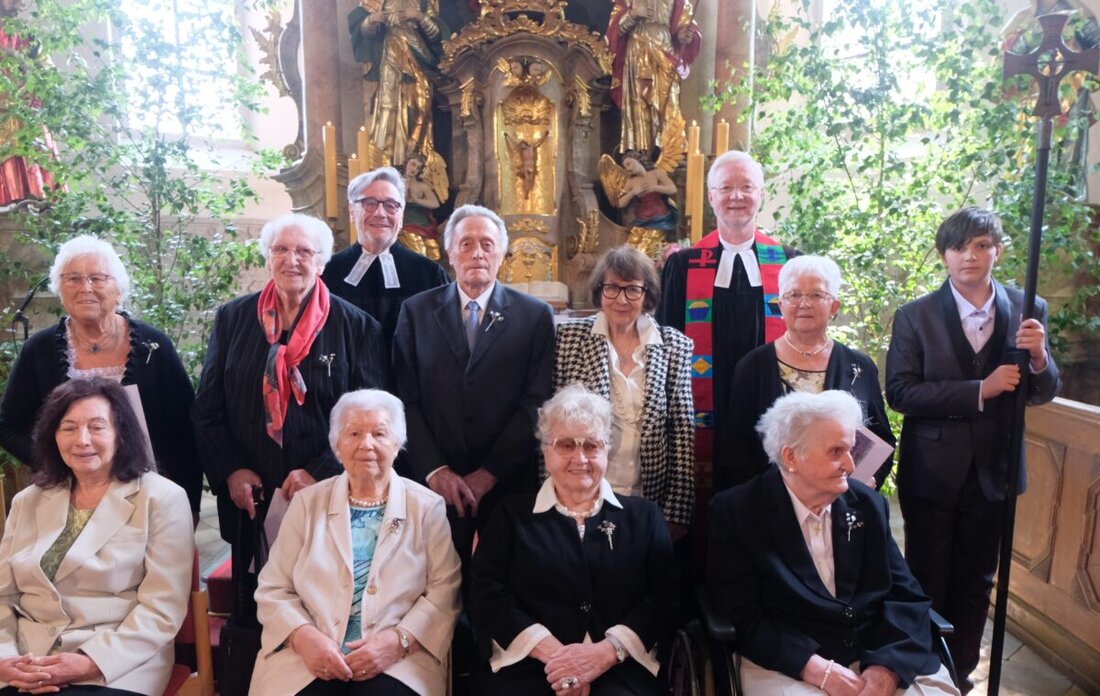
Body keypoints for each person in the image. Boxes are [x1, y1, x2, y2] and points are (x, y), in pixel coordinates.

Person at [885, 207, 1060, 692]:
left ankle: (959, 678)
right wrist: (978, 389)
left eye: (981, 245)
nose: (970, 256)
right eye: (959, 247)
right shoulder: (914, 315)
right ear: (944, 256)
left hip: (995, 473)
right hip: (932, 473)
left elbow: (1042, 391)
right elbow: (900, 393)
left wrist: (1040, 356)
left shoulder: (1029, 310)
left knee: (978, 582)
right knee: (925, 578)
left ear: (997, 251)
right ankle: (921, 675)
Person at [192, 212, 386, 623]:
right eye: (281, 249)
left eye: (304, 251)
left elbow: (371, 419)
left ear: (321, 262)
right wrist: (231, 472)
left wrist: (320, 470)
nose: (291, 260)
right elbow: (207, 409)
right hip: (253, 496)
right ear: (267, 257)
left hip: (329, 489)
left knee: (322, 603)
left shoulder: (357, 327)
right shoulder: (233, 319)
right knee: (256, 608)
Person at [708, 390, 959, 695]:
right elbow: (743, 615)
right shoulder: (738, 511)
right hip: (790, 661)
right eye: (836, 451)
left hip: (877, 651)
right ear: (791, 457)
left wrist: (887, 667)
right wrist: (815, 668)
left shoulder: (867, 504)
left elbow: (906, 597)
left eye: (851, 450)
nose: (851, 466)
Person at [250, 389, 461, 696]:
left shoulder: (427, 507)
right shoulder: (307, 503)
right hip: (307, 658)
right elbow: (273, 587)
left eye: (379, 433)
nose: (367, 444)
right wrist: (305, 637)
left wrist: (397, 641)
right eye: (354, 433)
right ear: (336, 444)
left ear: (398, 443)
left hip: (399, 660)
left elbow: (445, 591)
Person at [470, 385, 678, 695]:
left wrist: (603, 654)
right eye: (566, 445)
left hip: (620, 670)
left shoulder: (645, 516)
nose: (580, 458)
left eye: (591, 445)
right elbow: (486, 596)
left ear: (608, 449)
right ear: (545, 451)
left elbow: (666, 598)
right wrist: (561, 661)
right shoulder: (510, 515)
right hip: (527, 668)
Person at [0, 378, 193, 695]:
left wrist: (89, 662)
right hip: (27, 660)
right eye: (69, 428)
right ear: (53, 436)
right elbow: (2, 596)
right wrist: (6, 660)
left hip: (113, 664)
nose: (82, 440)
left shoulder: (161, 499)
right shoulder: (28, 500)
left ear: (121, 434)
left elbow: (162, 610)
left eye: (97, 427)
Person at [392, 203, 555, 569]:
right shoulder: (415, 312)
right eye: (466, 243)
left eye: (487, 243)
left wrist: (489, 473)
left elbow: (537, 402)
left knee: (502, 588)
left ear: (502, 253)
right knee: (434, 591)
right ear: (450, 252)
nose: (477, 252)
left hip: (508, 483)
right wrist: (436, 470)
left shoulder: (535, 316)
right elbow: (405, 399)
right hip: (431, 486)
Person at [0, 235, 202, 514]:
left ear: (118, 290)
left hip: (149, 499)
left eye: (98, 278)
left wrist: (187, 507)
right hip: (68, 499)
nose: (86, 288)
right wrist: (58, 462)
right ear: (60, 290)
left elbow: (186, 431)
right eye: (73, 279)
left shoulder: (154, 347)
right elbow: (9, 426)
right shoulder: (40, 349)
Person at [656, 151, 794, 467]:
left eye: (747, 187)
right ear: (711, 197)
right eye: (725, 188)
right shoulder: (684, 265)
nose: (737, 196)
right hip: (702, 407)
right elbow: (667, 346)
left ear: (761, 193)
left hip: (770, 402)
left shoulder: (788, 262)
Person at [716, 255, 894, 492]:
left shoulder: (860, 366)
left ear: (834, 306)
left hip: (842, 500)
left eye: (816, 295)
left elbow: (879, 437)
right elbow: (736, 446)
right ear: (781, 305)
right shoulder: (752, 366)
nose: (804, 303)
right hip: (770, 504)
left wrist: (863, 484)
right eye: (794, 295)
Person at [554, 246, 693, 537]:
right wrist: (554, 497)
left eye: (632, 290)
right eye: (612, 288)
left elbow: (682, 431)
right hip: (581, 491)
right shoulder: (568, 338)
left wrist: (676, 511)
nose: (621, 299)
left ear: (647, 295)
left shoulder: (674, 346)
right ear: (599, 290)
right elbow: (552, 429)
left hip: (649, 495)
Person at [321, 167, 449, 347]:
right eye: (370, 203)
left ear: (401, 214)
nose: (380, 213)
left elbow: (445, 341)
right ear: (352, 211)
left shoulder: (430, 275)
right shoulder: (327, 272)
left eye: (391, 205)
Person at [348, 1, 448, 168]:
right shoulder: (377, 1)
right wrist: (372, 19)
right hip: (391, 56)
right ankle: (386, 159)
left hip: (418, 57)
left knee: (421, 104)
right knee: (389, 105)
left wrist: (419, 17)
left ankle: (417, 158)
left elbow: (437, 35)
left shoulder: (422, 2)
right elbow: (360, 29)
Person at [607, 0, 701, 154]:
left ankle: (673, 150)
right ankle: (640, 148)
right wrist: (632, 15)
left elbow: (685, 22)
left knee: (669, 98)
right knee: (638, 98)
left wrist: (685, 34)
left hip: (664, 50)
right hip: (637, 49)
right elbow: (614, 30)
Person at [616, 152, 678, 233]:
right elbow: (620, 203)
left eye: (629, 164)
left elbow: (673, 189)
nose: (627, 168)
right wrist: (633, 192)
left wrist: (655, 188)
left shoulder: (656, 173)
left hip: (660, 215)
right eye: (625, 167)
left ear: (638, 161)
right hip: (643, 217)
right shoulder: (631, 182)